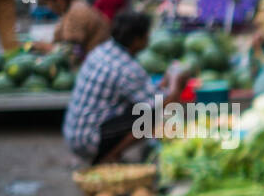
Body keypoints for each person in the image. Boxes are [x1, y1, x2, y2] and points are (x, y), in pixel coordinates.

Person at [63, 11, 191, 164]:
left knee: (144, 109)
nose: (148, 39)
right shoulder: (127, 68)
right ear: (137, 40)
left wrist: (167, 80)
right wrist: (176, 82)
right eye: (146, 35)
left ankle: (110, 155)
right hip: (89, 140)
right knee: (151, 118)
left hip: (74, 133)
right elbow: (165, 104)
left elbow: (148, 93)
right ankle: (108, 158)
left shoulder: (103, 50)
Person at [33, 0, 110, 60]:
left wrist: (48, 48)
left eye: (48, 2)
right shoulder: (71, 10)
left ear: (59, 0)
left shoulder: (76, 13)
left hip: (98, 60)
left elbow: (72, 53)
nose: (49, 7)